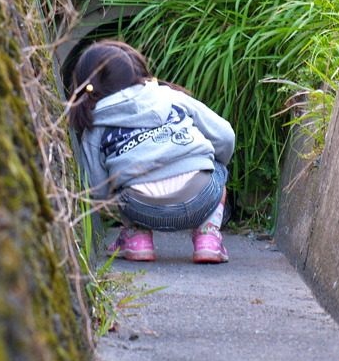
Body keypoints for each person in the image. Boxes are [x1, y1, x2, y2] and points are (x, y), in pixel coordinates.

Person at [67, 40, 234, 263]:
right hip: (201, 198)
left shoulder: (95, 126)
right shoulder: (168, 96)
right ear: (135, 71)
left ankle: (137, 238)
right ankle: (208, 238)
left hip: (140, 207)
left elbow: (97, 190)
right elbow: (225, 137)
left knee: (121, 183)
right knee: (218, 168)